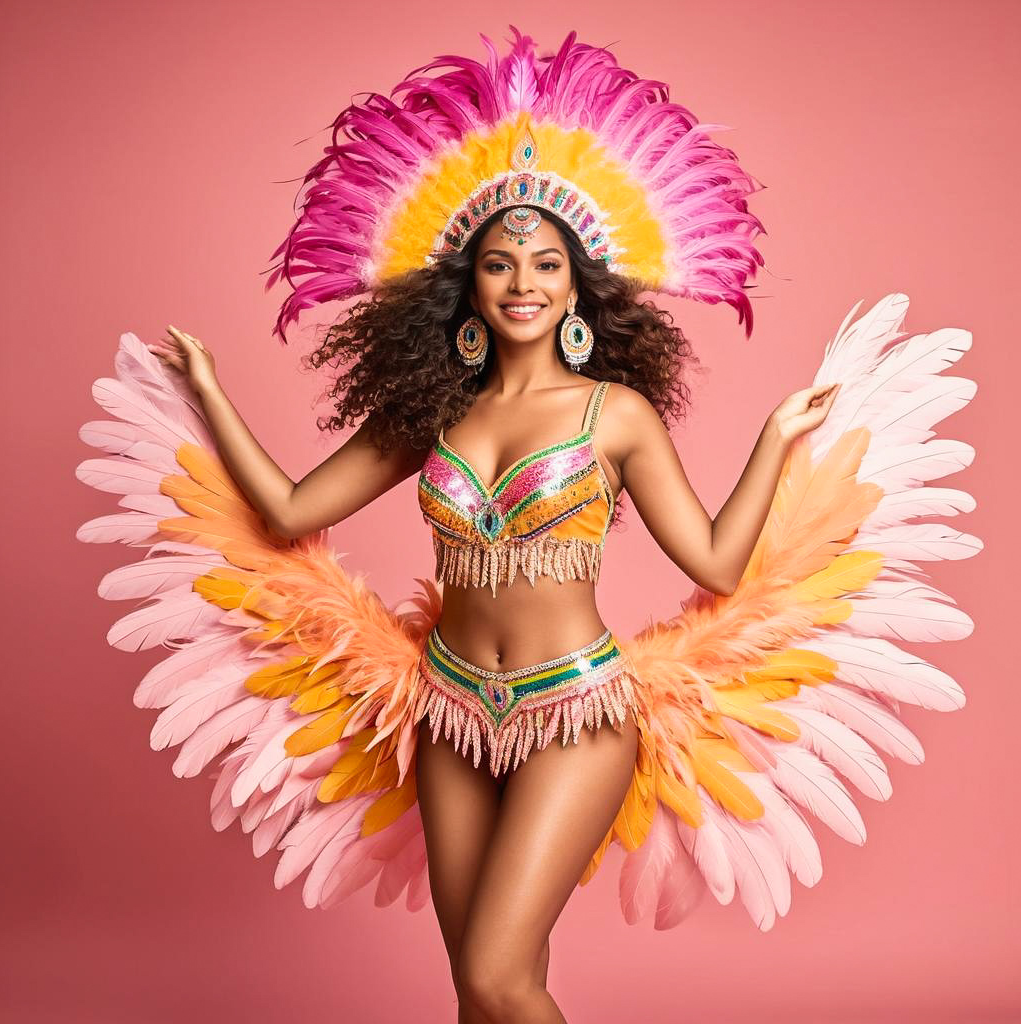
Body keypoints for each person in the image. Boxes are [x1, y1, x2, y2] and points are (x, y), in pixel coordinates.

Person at [79, 27, 978, 1024]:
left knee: (502, 978)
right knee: (480, 994)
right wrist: (207, 391)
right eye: (500, 264)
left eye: (544, 264)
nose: (521, 283)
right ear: (464, 286)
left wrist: (770, 440)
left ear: (577, 288)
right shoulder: (430, 415)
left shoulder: (615, 414)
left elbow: (719, 562)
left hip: (578, 713)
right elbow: (291, 511)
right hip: (447, 710)